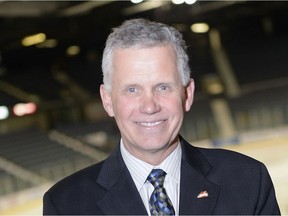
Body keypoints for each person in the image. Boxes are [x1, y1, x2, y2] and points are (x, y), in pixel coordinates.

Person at [43, 18, 280, 215]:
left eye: (163, 87)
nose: (149, 106)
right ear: (107, 100)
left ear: (187, 94)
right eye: (132, 89)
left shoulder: (249, 179)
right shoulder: (65, 205)